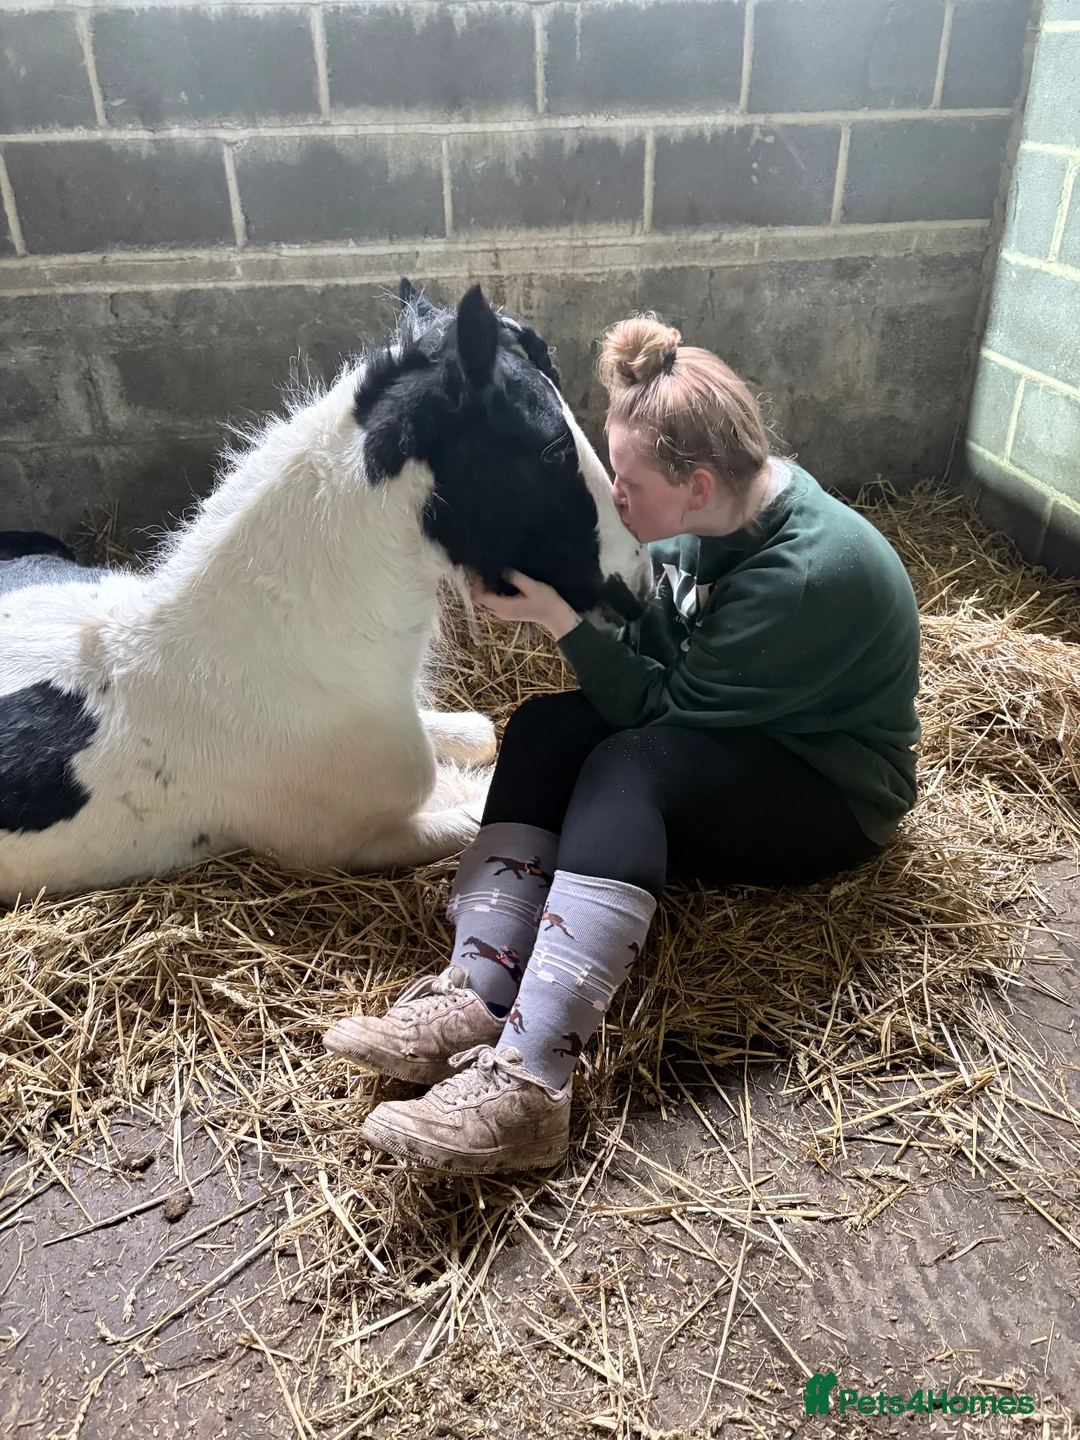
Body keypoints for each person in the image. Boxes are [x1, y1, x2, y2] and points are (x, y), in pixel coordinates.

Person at [323, 315, 921, 1176]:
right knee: (540, 726)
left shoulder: (803, 577)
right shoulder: (699, 521)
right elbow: (655, 644)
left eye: (627, 480)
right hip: (743, 728)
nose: (613, 493)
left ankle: (531, 1090)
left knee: (623, 766)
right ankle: (481, 989)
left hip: (827, 788)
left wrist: (563, 620)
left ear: (699, 481)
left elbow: (660, 709)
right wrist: (554, 598)